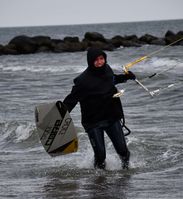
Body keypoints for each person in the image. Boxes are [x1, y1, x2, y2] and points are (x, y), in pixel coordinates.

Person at [63, 47, 136, 169]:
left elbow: (111, 80)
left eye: (101, 59)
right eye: (96, 60)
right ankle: (99, 181)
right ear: (90, 61)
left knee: (123, 152)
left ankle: (126, 175)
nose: (100, 62)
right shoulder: (82, 81)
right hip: (93, 122)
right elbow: (71, 100)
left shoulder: (107, 69)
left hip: (111, 117)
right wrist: (60, 115)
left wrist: (126, 77)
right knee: (101, 156)